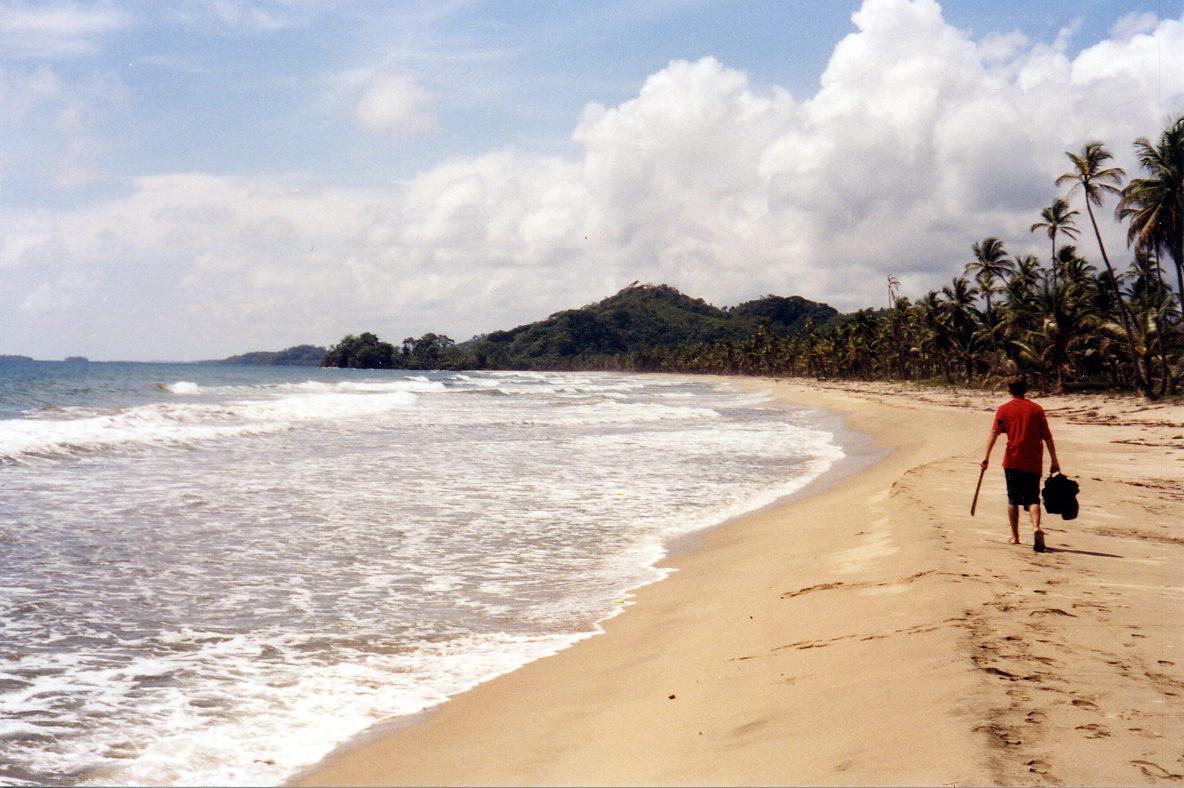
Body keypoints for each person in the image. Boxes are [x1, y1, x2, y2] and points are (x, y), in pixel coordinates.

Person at [981, 377, 1061, 551]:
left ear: (1009, 391)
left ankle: (1015, 537)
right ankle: (1036, 528)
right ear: (1026, 390)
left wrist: (986, 457)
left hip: (1012, 461)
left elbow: (995, 433)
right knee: (1033, 499)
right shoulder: (1037, 409)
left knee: (1013, 499)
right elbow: (1047, 437)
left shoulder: (1004, 409)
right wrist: (1054, 460)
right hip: (1033, 461)